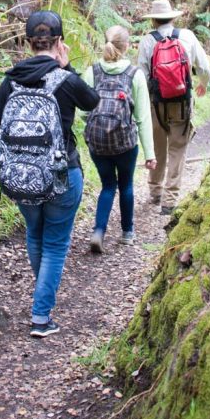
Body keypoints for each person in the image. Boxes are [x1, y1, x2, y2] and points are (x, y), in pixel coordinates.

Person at [0, 10, 100, 338]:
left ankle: (42, 298)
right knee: (55, 244)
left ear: (27, 42)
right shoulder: (66, 79)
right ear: (59, 42)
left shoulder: (12, 80)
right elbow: (93, 101)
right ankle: (40, 316)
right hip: (63, 175)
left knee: (35, 235)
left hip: (22, 178)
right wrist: (69, 68)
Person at [81, 26, 156, 253]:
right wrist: (150, 154)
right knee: (126, 185)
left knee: (107, 185)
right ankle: (127, 233)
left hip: (98, 144)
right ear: (127, 46)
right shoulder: (135, 74)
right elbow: (142, 118)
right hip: (125, 143)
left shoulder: (91, 71)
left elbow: (84, 112)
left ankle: (98, 231)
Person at [136, 0, 210, 214]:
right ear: (173, 17)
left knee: (157, 145)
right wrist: (202, 84)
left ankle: (155, 191)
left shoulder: (147, 41)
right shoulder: (187, 36)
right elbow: (204, 68)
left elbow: (140, 75)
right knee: (178, 147)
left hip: (155, 103)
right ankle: (170, 200)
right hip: (182, 101)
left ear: (153, 21)